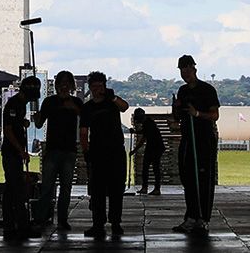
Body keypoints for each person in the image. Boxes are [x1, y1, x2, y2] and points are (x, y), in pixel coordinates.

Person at [171, 55, 219, 235]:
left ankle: (203, 219)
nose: (185, 73)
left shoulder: (208, 90)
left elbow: (214, 116)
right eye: (182, 70)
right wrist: (176, 107)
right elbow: (177, 117)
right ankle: (191, 217)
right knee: (188, 179)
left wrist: (197, 113)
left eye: (187, 69)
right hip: (187, 138)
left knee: (204, 180)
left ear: (194, 69)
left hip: (204, 139)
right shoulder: (182, 90)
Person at [80, 71, 130, 239]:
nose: (97, 90)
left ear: (104, 86)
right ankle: (98, 224)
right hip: (97, 152)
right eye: (93, 87)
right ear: (90, 88)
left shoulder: (112, 102)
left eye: (99, 86)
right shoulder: (87, 108)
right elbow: (83, 131)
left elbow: (125, 107)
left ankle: (116, 222)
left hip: (116, 151)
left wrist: (113, 97)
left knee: (117, 189)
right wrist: (86, 151)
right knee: (97, 191)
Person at [33, 70, 83, 230]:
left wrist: (74, 108)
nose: (64, 86)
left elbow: (86, 118)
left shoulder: (76, 102)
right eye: (61, 83)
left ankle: (62, 219)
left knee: (66, 187)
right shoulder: (49, 102)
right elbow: (39, 124)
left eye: (67, 83)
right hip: (52, 150)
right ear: (57, 85)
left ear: (71, 85)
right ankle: (41, 217)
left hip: (69, 150)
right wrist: (37, 117)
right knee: (47, 186)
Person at [1, 75, 42, 241]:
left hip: (15, 153)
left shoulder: (21, 105)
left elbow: (15, 124)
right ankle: (19, 227)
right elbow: (8, 130)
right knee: (16, 191)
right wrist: (21, 150)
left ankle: (12, 225)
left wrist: (23, 123)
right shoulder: (14, 104)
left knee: (13, 190)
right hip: (12, 153)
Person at [131, 107, 164, 195]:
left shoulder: (149, 124)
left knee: (154, 168)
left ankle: (155, 189)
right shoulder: (148, 123)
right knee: (147, 168)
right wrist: (135, 132)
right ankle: (146, 188)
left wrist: (134, 150)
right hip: (153, 147)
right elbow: (143, 134)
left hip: (155, 148)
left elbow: (142, 139)